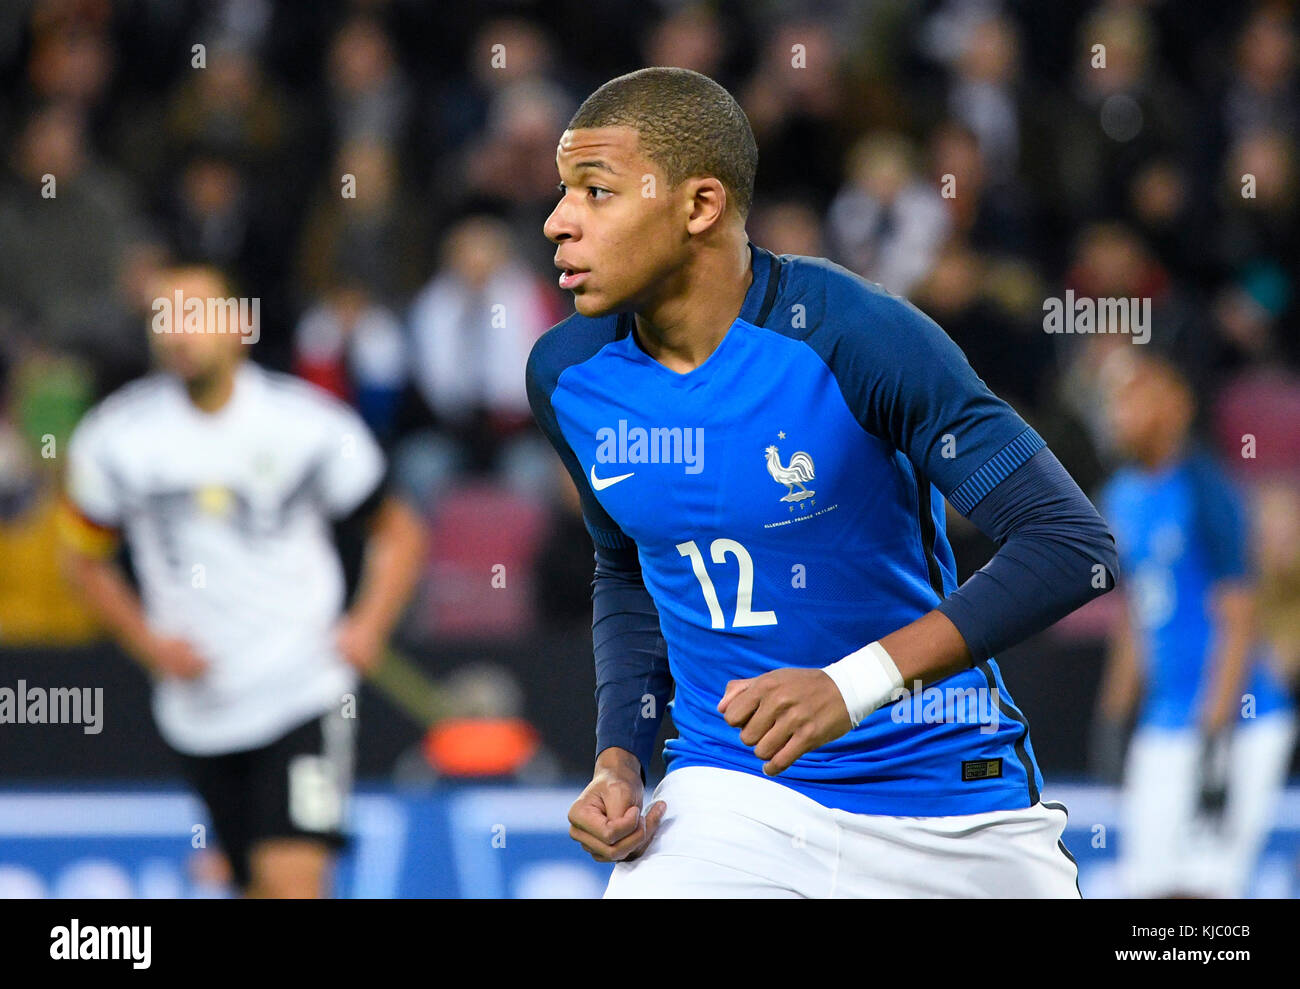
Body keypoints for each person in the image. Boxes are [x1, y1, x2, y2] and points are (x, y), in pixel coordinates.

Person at [526, 67, 1118, 898]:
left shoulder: (856, 336)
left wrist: (852, 685)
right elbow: (626, 565)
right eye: (563, 192)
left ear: (700, 207)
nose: (558, 222)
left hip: (947, 804)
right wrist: (620, 756)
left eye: (595, 191)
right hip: (732, 799)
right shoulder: (568, 375)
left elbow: (1071, 545)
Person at [59, 265, 426, 897]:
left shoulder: (308, 426)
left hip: (303, 690)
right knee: (251, 881)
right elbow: (82, 560)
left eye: (196, 315)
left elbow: (398, 531)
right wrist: (148, 644)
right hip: (198, 710)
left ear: (239, 327)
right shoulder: (114, 441)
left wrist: (368, 625)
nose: (178, 333)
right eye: (164, 318)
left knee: (292, 883)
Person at [1097, 351, 1296, 898]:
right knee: (1147, 887)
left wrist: (1215, 739)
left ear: (1176, 405)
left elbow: (1239, 619)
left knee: (1208, 895)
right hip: (1165, 719)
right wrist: (1114, 716)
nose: (1121, 411)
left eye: (1137, 395)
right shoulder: (1119, 498)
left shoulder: (1208, 492)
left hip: (1238, 720)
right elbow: (1136, 614)